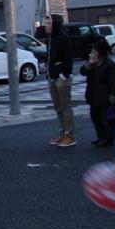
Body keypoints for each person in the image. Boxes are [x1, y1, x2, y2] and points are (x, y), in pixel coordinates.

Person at [44, 14, 76, 147]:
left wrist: (63, 75)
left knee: (65, 107)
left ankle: (70, 135)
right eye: (45, 23)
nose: (45, 26)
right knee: (58, 108)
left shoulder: (64, 38)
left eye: (48, 23)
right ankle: (62, 133)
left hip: (62, 78)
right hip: (52, 77)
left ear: (55, 24)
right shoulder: (50, 38)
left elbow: (69, 59)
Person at [80, 39, 115, 147]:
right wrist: (89, 64)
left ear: (100, 52)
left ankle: (108, 139)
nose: (92, 52)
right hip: (93, 94)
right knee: (95, 117)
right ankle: (100, 137)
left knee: (106, 118)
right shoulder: (92, 63)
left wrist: (113, 94)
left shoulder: (109, 64)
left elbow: (113, 81)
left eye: (94, 50)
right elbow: (82, 72)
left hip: (104, 95)